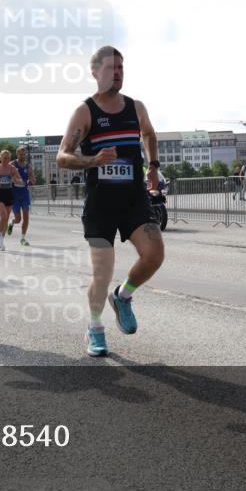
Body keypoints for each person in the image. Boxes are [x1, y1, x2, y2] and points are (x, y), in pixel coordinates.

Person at [56, 46, 164, 357]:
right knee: (101, 274)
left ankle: (124, 296)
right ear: (95, 73)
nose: (117, 72)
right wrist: (92, 160)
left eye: (121, 67)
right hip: (101, 203)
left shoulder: (136, 108)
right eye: (111, 67)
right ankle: (94, 327)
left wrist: (152, 166)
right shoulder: (86, 112)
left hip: (133, 198)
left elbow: (150, 135)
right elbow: (63, 157)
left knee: (154, 253)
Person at [0, 149, 23, 251]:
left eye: (8, 158)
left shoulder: (12, 169)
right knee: (3, 216)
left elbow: (21, 181)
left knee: (6, 219)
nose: (6, 159)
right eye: (4, 157)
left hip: (9, 194)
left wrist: (16, 180)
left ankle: (2, 239)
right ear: (0, 158)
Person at [7, 145, 36, 246]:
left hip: (24, 194)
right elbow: (6, 175)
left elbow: (33, 179)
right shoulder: (12, 164)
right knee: (18, 219)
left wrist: (31, 181)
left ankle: (23, 238)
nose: (22, 156)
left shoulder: (28, 167)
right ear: (17, 154)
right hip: (14, 195)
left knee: (26, 217)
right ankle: (12, 222)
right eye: (20, 154)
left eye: (24, 154)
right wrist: (13, 179)